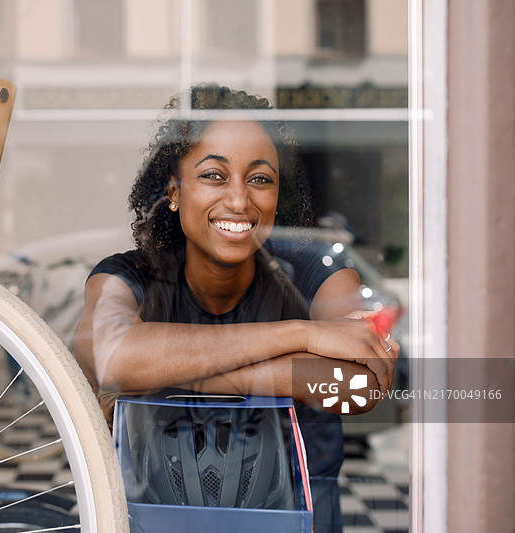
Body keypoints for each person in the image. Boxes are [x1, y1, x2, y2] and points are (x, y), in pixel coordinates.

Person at [73, 83, 399, 533]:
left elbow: (359, 386)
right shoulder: (131, 276)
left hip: (298, 514)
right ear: (174, 191)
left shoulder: (314, 272)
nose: (240, 199)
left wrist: (164, 373)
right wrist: (302, 337)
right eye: (213, 175)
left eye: (260, 179)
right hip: (158, 517)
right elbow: (110, 357)